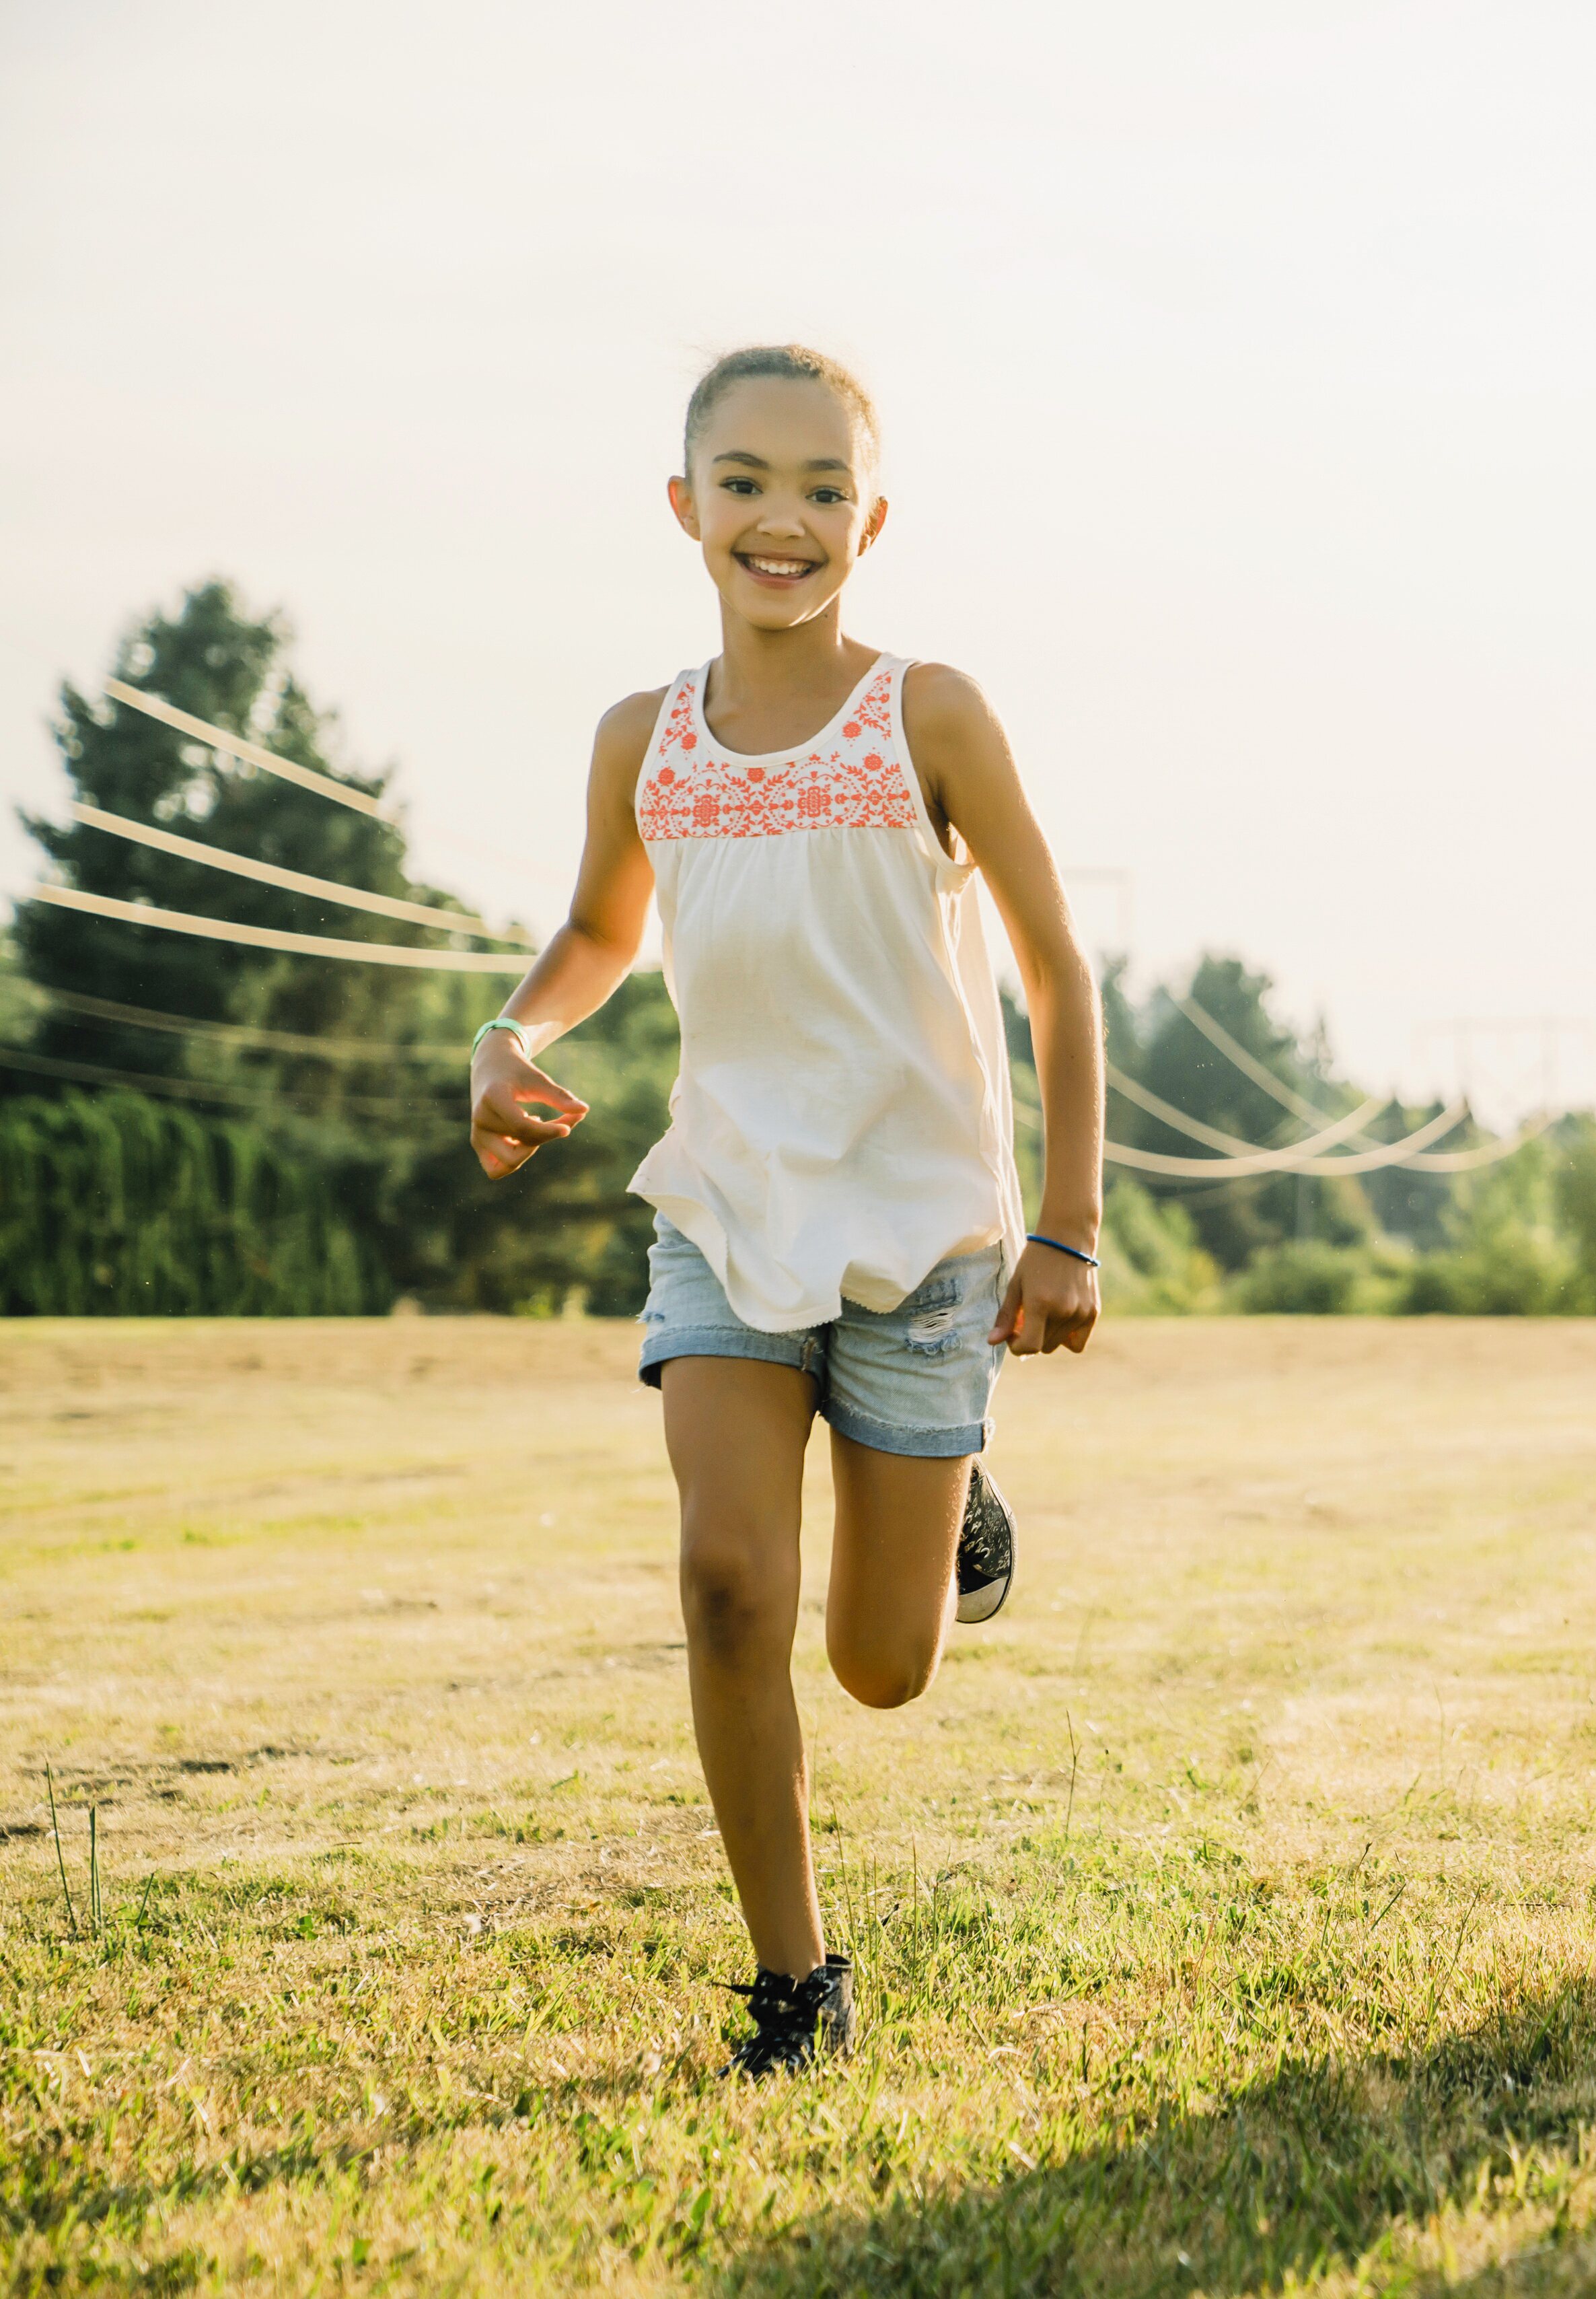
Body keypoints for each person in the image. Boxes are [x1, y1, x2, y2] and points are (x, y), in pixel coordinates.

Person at [466, 345, 1105, 2072]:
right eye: (747, 482)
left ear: (870, 520)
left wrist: (1068, 1224)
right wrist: (508, 1030)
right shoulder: (643, 738)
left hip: (923, 1239)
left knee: (880, 1666)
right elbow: (607, 933)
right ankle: (792, 1981)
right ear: (685, 509)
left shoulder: (931, 713)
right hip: (728, 1210)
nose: (785, 518)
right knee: (727, 1585)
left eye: (825, 489)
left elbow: (1054, 970)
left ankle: (953, 1496)